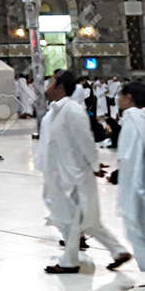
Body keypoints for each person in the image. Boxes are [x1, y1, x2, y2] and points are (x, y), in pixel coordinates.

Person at [39, 71, 132, 274]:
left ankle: (69, 262)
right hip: (61, 174)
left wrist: (94, 165)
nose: (47, 85)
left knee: (73, 219)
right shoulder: (55, 111)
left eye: (51, 82)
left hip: (74, 175)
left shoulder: (72, 110)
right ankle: (118, 250)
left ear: (60, 87)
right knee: (86, 220)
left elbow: (85, 141)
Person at [113, 81, 145, 269]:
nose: (118, 99)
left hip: (137, 188)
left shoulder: (132, 119)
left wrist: (131, 197)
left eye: (120, 95)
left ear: (129, 97)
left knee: (136, 232)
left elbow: (130, 159)